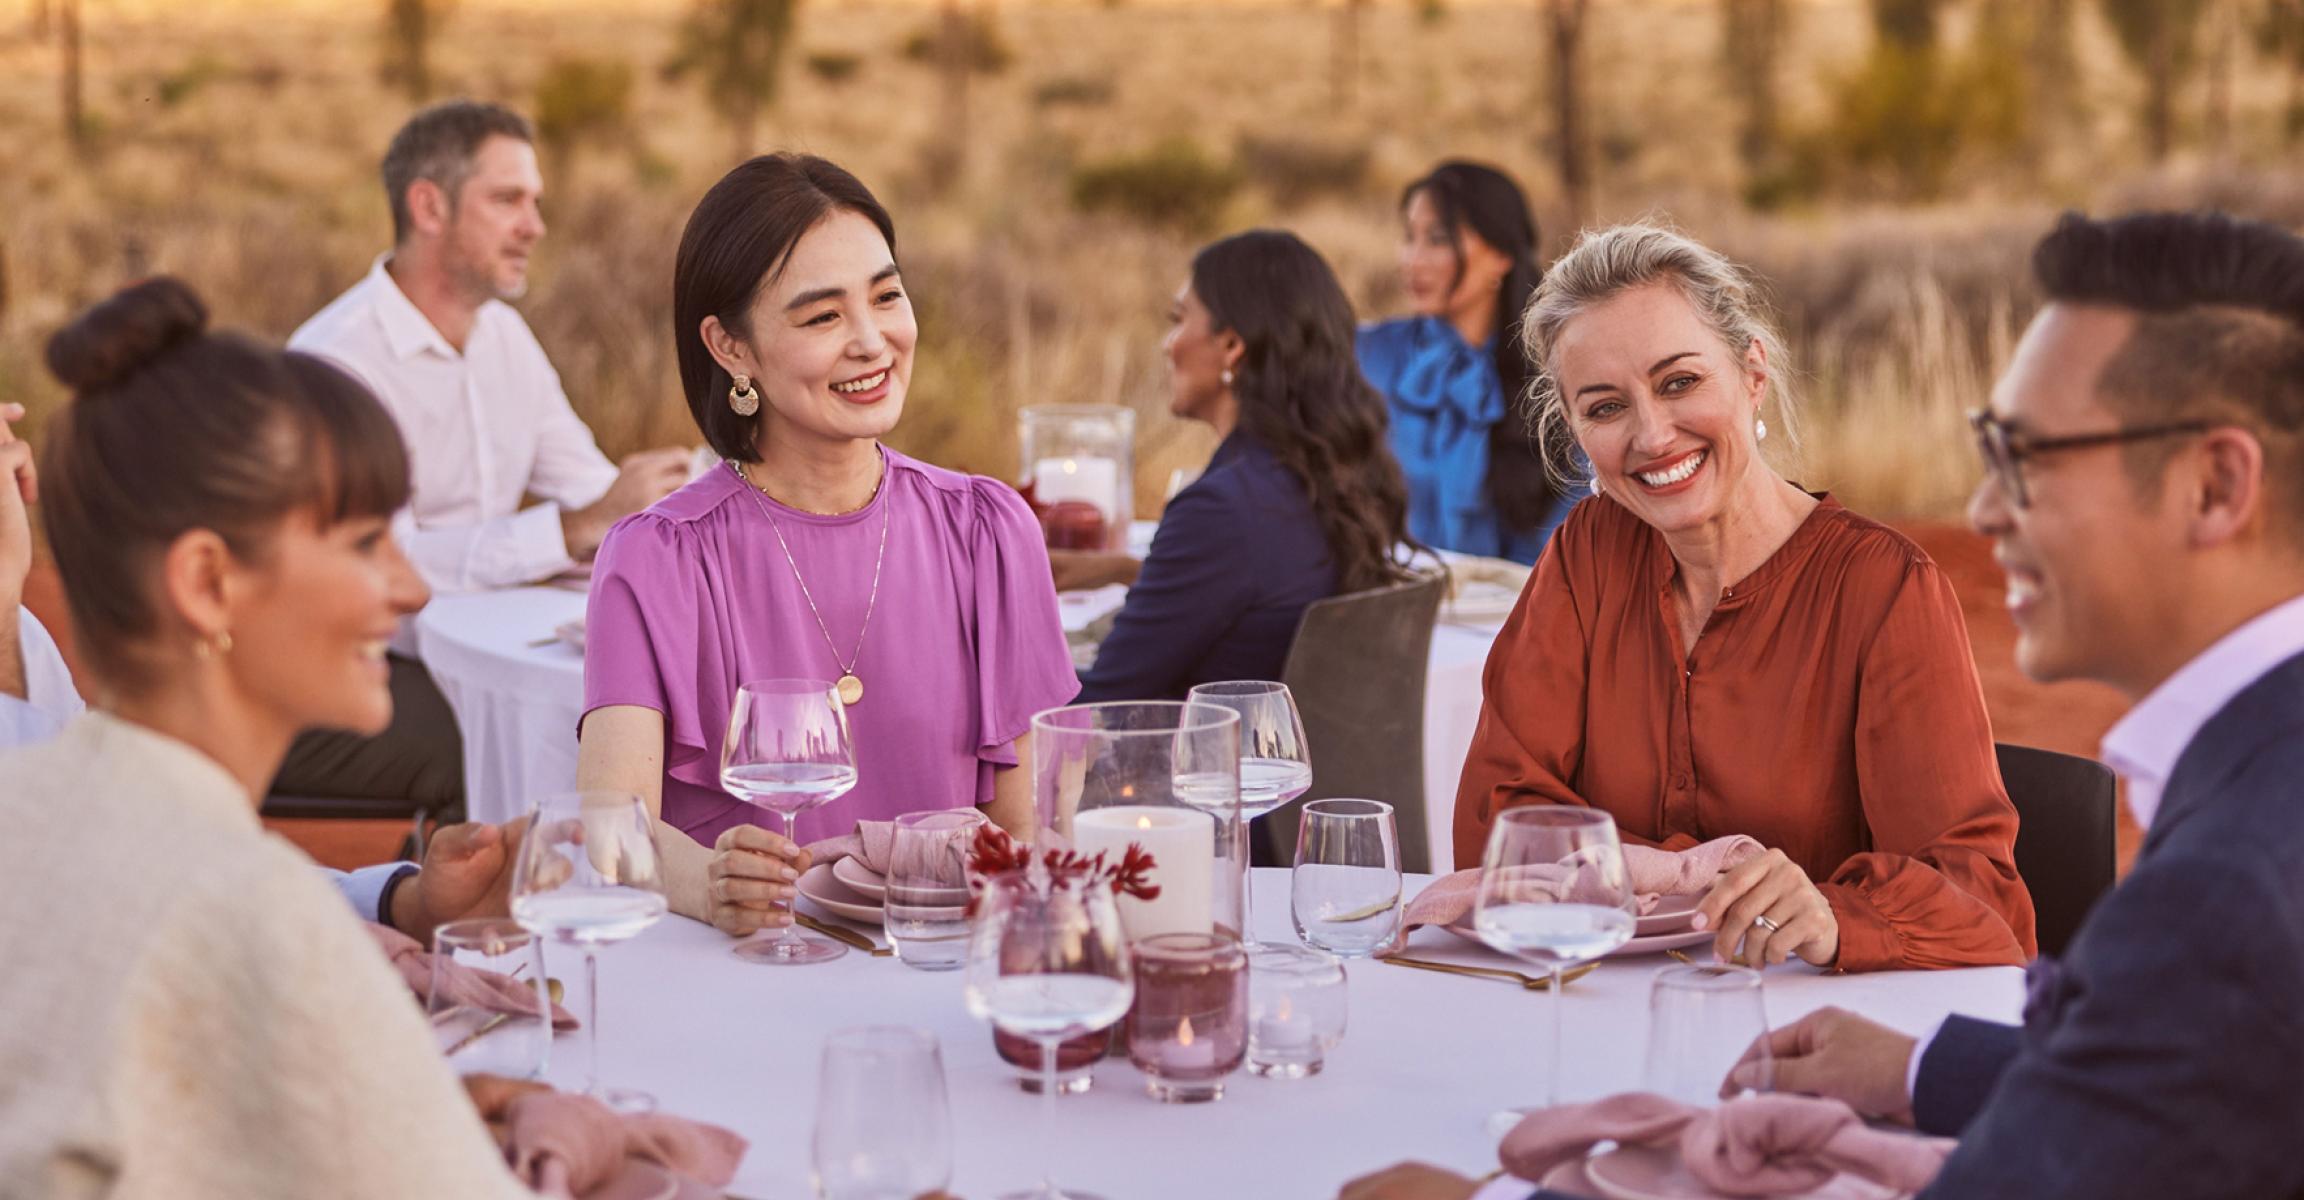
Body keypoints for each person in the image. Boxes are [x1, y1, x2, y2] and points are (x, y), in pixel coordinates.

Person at [1709, 211, 2304, 1199]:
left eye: (2026, 457)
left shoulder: (2225, 894)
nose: (1984, 512)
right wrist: (1917, 1067)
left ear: (2215, 484)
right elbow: (2211, 1077)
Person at [0, 278, 529, 1196]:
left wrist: (401, 906)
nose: (412, 590)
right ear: (207, 584)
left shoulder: (35, 806)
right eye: (366, 542)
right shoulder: (259, 929)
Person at [1455, 223, 2034, 974]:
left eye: (1679, 383)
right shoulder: (1586, 552)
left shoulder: (1885, 589)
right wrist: (1692, 877)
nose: (1653, 435)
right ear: (1575, 430)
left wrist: (1833, 914)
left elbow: (1978, 902)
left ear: (1752, 372)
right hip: (1602, 1013)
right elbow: (1500, 828)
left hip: (1807, 1030)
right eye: (1605, 408)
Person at [577, 154, 1078, 939]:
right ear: (730, 347)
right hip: (743, 976)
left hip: (942, 973)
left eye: (886, 297)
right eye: (822, 317)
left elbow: (1037, 834)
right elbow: (612, 824)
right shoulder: (658, 557)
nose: (873, 342)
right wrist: (710, 885)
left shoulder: (988, 530)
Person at [283, 100, 689, 820]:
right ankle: (452, 912)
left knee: (616, 721)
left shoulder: (504, 337)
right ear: (429, 206)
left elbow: (594, 488)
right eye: (508, 200)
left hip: (463, 654)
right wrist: (567, 532)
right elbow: (382, 569)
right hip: (346, 664)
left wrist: (681, 498)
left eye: (535, 202)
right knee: (514, 741)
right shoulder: (338, 364)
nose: (534, 225)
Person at [1072, 230, 1415, 702]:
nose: (1167, 344)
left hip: (1200, 769)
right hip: (1291, 765)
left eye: (1178, 320)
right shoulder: (1327, 477)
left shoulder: (1220, 511)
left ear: (1232, 345)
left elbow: (1098, 709)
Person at [1357, 161, 1570, 564]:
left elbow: (1572, 527)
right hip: (1390, 603)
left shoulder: (1558, 370)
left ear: (1502, 253)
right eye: (1409, 237)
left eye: (1437, 239)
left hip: (1517, 610)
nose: (1412, 260)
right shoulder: (1368, 355)